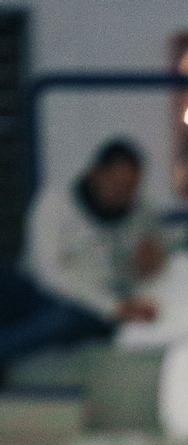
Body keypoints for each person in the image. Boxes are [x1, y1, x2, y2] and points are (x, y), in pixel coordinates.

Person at [0, 138, 162, 373]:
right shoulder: (55, 203)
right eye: (116, 183)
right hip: (42, 292)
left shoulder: (142, 216)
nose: (122, 193)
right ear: (96, 174)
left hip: (90, 308)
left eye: (130, 187)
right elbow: (47, 272)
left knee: (64, 320)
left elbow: (140, 271)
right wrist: (114, 306)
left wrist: (150, 263)